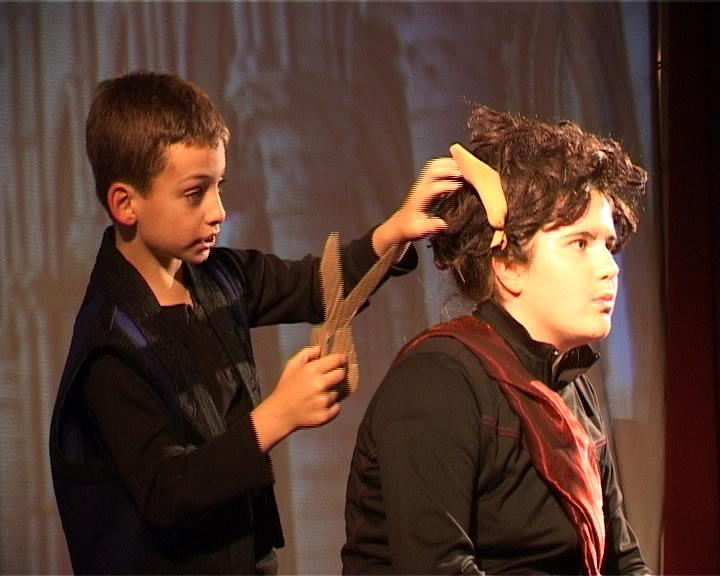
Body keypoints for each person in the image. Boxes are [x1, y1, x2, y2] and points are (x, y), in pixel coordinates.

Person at [48, 70, 462, 575]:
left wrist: (393, 233)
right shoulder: (110, 347)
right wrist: (279, 414)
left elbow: (315, 284)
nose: (218, 211)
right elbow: (166, 489)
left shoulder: (219, 276)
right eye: (194, 193)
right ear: (125, 203)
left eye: (218, 187)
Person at [342, 104, 652, 575]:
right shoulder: (439, 382)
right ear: (507, 265)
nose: (610, 267)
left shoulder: (572, 389)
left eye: (607, 246)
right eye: (580, 243)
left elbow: (622, 561)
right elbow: (439, 569)